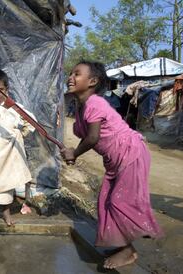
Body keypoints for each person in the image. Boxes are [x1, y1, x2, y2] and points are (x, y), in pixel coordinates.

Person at [61, 61, 163, 269]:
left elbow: (92, 138)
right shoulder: (81, 106)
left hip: (130, 153)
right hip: (114, 161)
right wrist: (74, 154)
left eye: (77, 74)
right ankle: (119, 243)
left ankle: (128, 251)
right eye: (71, 73)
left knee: (120, 201)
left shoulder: (94, 103)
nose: (71, 77)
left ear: (92, 81)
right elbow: (89, 137)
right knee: (106, 202)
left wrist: (75, 152)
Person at [0, 69, 35, 226]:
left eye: (1, 90)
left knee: (8, 184)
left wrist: (20, 134)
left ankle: (6, 213)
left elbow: (31, 121)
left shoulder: (15, 108)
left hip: (11, 153)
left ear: (7, 89)